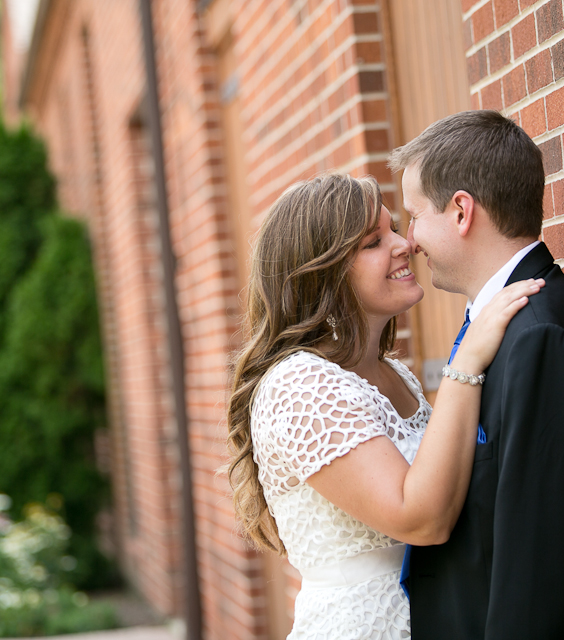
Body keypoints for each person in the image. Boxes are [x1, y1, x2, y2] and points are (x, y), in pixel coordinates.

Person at [226, 173, 544, 639]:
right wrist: (468, 359)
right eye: (374, 242)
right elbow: (419, 518)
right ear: (322, 273)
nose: (406, 244)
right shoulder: (299, 385)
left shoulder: (396, 374)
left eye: (395, 228)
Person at [388, 110, 564, 639]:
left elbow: (541, 574)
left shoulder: (541, 337)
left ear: (461, 211)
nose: (410, 240)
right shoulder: (507, 327)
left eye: (414, 216)